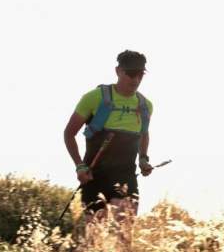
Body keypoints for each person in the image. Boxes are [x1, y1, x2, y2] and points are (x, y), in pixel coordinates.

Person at [63, 50, 155, 219]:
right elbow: (69, 133)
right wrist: (79, 166)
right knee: (95, 240)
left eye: (140, 74)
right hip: (93, 177)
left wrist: (143, 159)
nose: (136, 80)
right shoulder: (94, 98)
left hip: (125, 177)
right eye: (131, 73)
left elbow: (144, 134)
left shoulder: (145, 106)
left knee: (123, 239)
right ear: (118, 71)